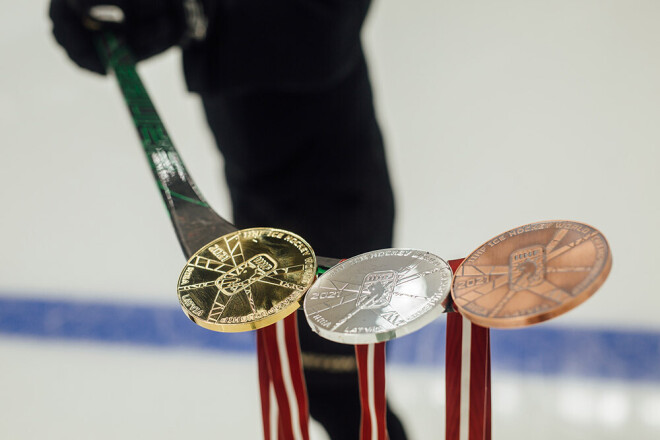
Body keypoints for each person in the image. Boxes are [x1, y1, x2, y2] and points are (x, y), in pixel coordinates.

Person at [49, 1, 404, 438]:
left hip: (329, 177)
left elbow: (326, 23)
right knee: (312, 386)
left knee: (342, 395)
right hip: (252, 164)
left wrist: (191, 14)